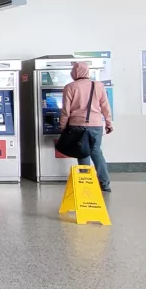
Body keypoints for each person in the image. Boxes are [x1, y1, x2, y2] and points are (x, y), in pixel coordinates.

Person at [59, 61, 113, 192]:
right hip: (96, 125)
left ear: (74, 73)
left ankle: (86, 185)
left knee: (82, 153)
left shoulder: (70, 87)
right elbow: (105, 106)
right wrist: (108, 122)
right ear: (87, 72)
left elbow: (66, 110)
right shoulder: (98, 85)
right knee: (96, 152)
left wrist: (62, 125)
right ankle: (105, 185)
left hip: (77, 125)